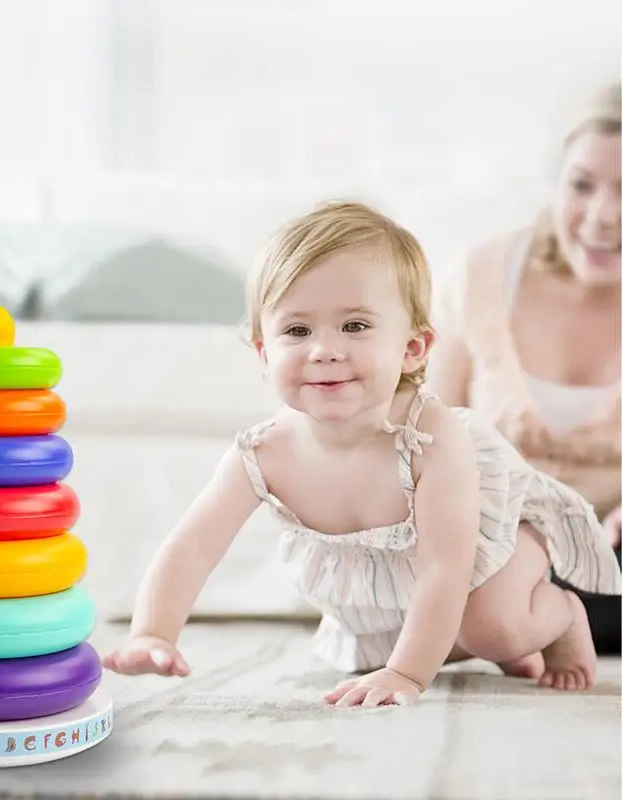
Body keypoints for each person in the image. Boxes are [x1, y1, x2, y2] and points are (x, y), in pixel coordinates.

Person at [103, 200, 622, 708]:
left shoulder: (432, 437)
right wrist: (153, 632)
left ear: (412, 348)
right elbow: (192, 547)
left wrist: (406, 674)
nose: (324, 349)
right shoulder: (262, 454)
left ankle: (557, 617)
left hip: (491, 555)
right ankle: (487, 648)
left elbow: (447, 568)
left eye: (354, 326)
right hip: (385, 597)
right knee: (365, 657)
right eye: (297, 330)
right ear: (265, 354)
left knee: (491, 623)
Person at [426, 82, 621, 654]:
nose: (602, 217)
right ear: (557, 183)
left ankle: (532, 619)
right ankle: (524, 616)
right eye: (582, 186)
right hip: (497, 534)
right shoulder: (481, 274)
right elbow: (425, 428)